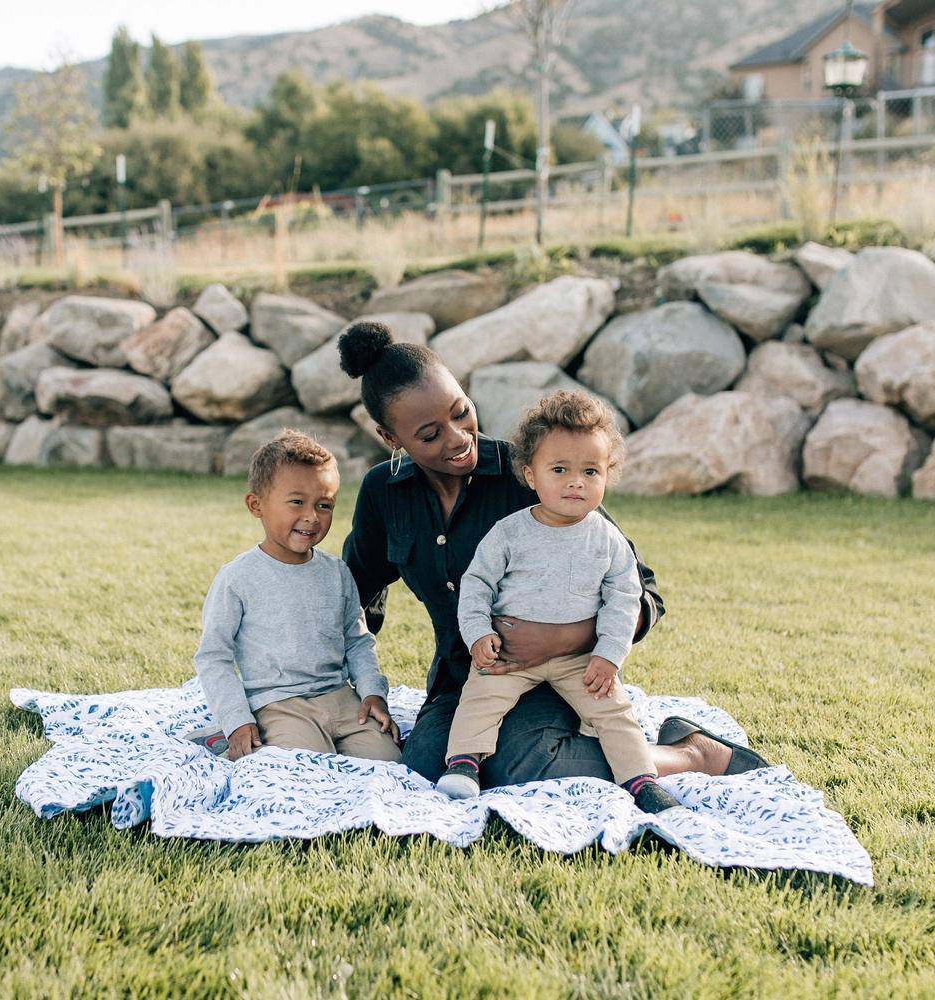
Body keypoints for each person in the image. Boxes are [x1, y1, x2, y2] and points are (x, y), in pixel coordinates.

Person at [339, 320, 768, 788]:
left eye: (461, 412)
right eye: (430, 434)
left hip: (558, 680)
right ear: (391, 438)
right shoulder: (385, 493)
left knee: (524, 765)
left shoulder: (533, 475)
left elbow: (643, 593)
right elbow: (356, 592)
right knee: (424, 765)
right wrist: (354, 683)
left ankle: (690, 753)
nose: (458, 437)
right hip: (462, 681)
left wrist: (565, 638)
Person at [437, 390, 679, 812]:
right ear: (531, 475)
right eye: (560, 469)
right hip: (508, 653)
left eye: (590, 471)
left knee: (613, 709)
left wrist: (609, 655)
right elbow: (476, 585)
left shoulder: (607, 539)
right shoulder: (510, 532)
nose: (576, 482)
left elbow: (625, 597)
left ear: (608, 475)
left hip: (580, 659)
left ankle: (642, 781)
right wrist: (478, 634)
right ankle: (464, 764)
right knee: (481, 696)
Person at [193, 429, 401, 764]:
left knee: (388, 761)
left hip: (339, 698)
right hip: (277, 703)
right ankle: (226, 738)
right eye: (296, 502)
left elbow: (358, 641)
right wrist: (237, 720)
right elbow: (213, 657)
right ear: (256, 505)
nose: (311, 516)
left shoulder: (337, 573)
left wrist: (373, 692)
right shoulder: (238, 578)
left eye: (324, 505)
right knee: (305, 767)